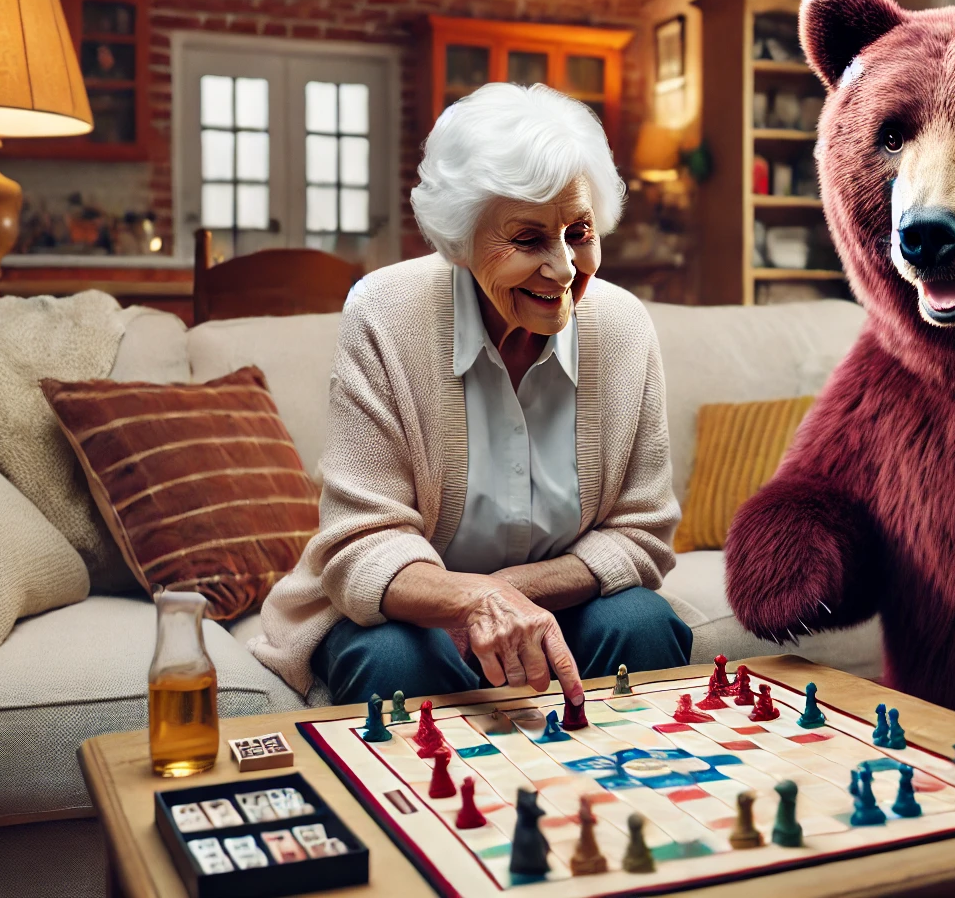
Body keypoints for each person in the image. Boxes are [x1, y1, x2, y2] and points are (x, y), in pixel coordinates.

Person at [251, 82, 690, 705]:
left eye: (579, 231)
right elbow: (361, 541)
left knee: (644, 624)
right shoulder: (385, 313)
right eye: (529, 239)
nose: (564, 268)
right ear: (460, 239)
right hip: (410, 616)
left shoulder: (622, 328)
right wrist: (470, 601)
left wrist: (509, 592)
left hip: (561, 608)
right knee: (394, 660)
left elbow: (641, 532)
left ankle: (624, 799)